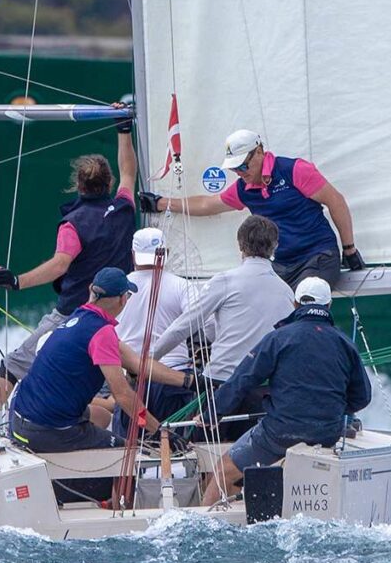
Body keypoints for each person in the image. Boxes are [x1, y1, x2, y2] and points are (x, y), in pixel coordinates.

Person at [0, 107, 137, 452]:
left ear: (78, 185)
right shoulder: (123, 208)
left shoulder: (75, 223)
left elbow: (60, 265)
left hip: (73, 318)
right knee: (104, 386)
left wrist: (16, 281)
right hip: (120, 317)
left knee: (12, 367)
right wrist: (123, 130)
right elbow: (129, 172)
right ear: (110, 184)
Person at [196, 276, 372, 506]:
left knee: (223, 471)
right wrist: (331, 408)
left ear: (296, 304)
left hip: (279, 433)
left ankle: (208, 520)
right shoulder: (344, 343)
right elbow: (363, 397)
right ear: (328, 306)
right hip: (327, 433)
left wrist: (211, 415)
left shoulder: (278, 338)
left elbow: (242, 380)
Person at [138, 129, 365, 289]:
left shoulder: (294, 170)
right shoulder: (245, 188)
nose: (240, 172)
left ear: (259, 152)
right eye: (235, 168)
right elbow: (209, 204)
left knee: (302, 309)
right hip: (280, 265)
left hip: (317, 256)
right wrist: (160, 203)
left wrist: (349, 249)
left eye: (243, 165)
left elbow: (336, 201)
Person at [8, 267, 192, 453]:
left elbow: (138, 363)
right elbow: (123, 396)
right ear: (122, 299)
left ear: (91, 290)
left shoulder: (80, 317)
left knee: (102, 417)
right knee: (133, 451)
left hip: (18, 421)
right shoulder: (102, 333)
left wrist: (188, 381)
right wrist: (159, 431)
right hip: (48, 430)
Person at [151, 215, 294, 440]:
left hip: (220, 384)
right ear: (274, 246)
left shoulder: (225, 281)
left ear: (240, 245)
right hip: (262, 389)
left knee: (202, 457)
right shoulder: (286, 292)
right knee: (251, 463)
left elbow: (184, 325)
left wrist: (150, 357)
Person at [109, 227, 197, 435]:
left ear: (132, 255)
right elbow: (205, 323)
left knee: (129, 451)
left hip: (132, 386)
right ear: (165, 253)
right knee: (174, 446)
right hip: (173, 381)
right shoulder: (182, 286)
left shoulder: (117, 290)